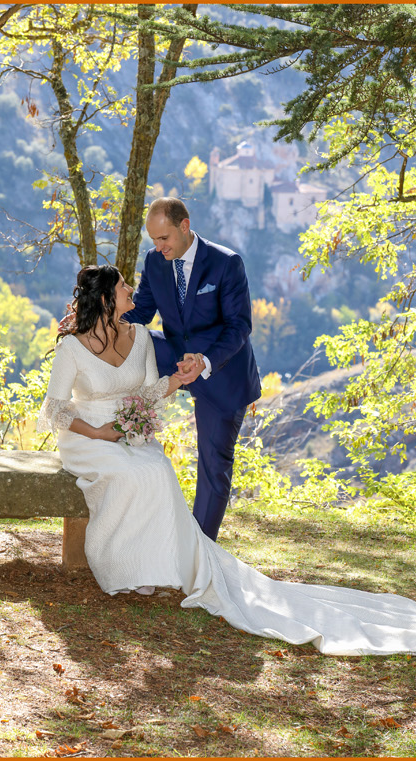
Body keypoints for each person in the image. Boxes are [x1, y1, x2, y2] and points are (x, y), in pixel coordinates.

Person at [41, 265, 416, 656]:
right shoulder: (73, 348)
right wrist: (97, 431)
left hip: (132, 431)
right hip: (88, 436)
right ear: (107, 299)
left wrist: (178, 381)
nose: (132, 291)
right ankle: (122, 567)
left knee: (155, 470)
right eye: (123, 287)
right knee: (131, 474)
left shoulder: (142, 338)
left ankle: (156, 569)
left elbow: (149, 393)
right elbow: (55, 407)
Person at [123, 198, 261, 541]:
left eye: (164, 238)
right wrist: (93, 324)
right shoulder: (155, 262)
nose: (159, 247)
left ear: (185, 226)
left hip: (222, 370)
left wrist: (205, 361)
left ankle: (200, 552)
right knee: (133, 341)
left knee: (214, 466)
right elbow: (140, 313)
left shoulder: (227, 264)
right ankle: (110, 436)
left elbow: (239, 327)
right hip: (174, 355)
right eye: (153, 240)